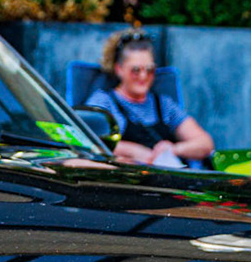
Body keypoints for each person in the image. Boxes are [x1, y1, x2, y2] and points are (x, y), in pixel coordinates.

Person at [83, 30, 214, 168]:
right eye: (135, 70)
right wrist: (134, 151)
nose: (143, 76)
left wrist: (173, 149)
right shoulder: (105, 102)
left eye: (150, 70)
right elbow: (90, 142)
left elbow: (205, 143)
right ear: (119, 69)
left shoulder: (164, 105)